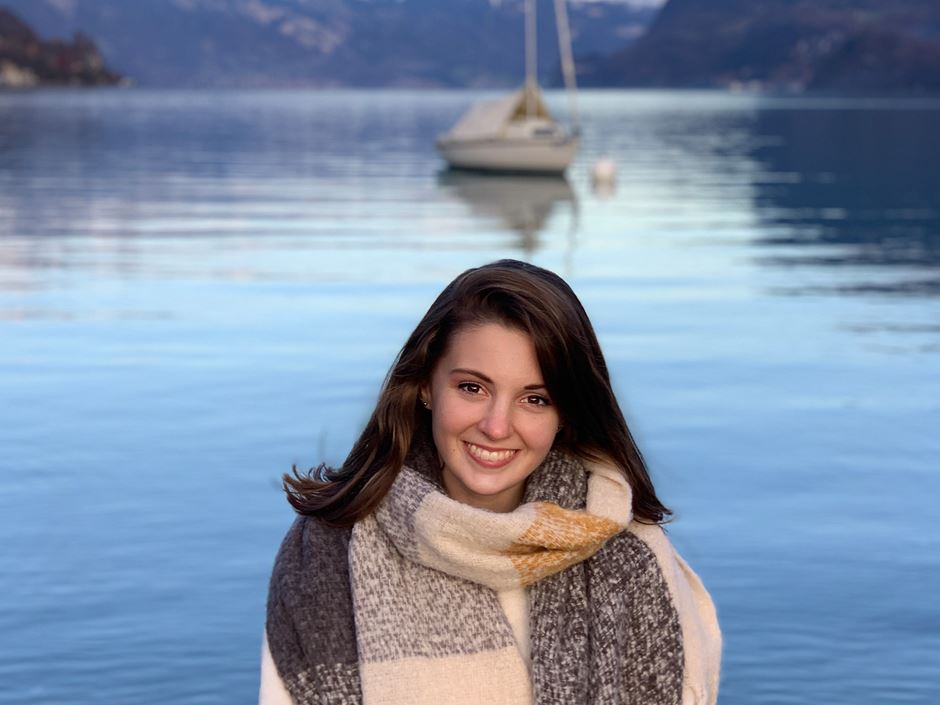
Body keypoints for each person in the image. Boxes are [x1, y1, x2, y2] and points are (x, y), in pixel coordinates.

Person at [260, 259, 721, 705]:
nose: (497, 427)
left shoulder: (630, 554)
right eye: (472, 388)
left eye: (535, 399)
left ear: (566, 413)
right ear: (426, 385)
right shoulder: (327, 554)